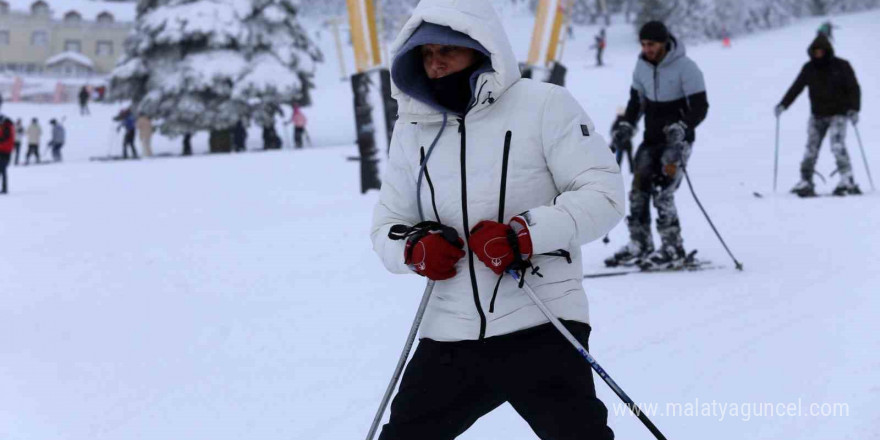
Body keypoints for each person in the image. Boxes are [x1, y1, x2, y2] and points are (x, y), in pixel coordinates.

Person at [370, 1, 625, 439]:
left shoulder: (544, 105)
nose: (436, 62)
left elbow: (603, 195)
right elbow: (387, 222)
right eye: (425, 53)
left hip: (540, 321)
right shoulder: (411, 127)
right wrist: (413, 248)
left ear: (481, 46)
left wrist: (523, 235)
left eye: (447, 48)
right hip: (449, 331)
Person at [605, 21, 709, 269]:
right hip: (651, 139)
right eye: (643, 44)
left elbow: (701, 106)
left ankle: (672, 248)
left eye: (651, 44)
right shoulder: (641, 66)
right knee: (638, 191)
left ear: (663, 42)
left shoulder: (686, 67)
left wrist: (683, 127)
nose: (646, 49)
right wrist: (628, 124)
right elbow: (636, 101)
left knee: (663, 192)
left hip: (676, 141)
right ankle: (640, 244)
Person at [775, 34, 861, 197]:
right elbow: (796, 87)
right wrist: (783, 105)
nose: (818, 54)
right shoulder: (809, 68)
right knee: (810, 149)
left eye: (821, 51)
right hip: (817, 115)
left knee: (837, 145)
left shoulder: (842, 66)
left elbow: (853, 88)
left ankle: (847, 179)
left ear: (827, 51)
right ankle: (805, 181)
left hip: (839, 114)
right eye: (815, 51)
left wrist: (854, 109)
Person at [610, 106, 633, 173]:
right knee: (628, 159)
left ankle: (618, 172)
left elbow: (613, 132)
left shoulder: (618, 122)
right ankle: (631, 171)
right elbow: (631, 132)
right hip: (626, 143)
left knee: (620, 159)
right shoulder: (627, 121)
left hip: (621, 144)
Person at [0, 115, 13, 194]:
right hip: (4, 151)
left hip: (4, 151)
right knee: (3, 170)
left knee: (3, 170)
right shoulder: (7, 126)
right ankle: (4, 188)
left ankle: (4, 188)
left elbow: (4, 138)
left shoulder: (6, 127)